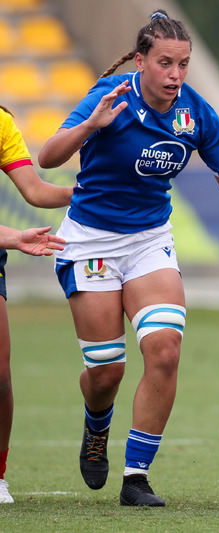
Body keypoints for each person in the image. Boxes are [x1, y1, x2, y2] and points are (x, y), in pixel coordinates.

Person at [37, 10, 219, 507]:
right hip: (89, 242)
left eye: (183, 63)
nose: (175, 74)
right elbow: (48, 157)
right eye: (165, 63)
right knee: (106, 373)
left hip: (148, 241)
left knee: (164, 350)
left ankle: (136, 477)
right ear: (141, 61)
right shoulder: (110, 97)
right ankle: (97, 424)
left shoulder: (197, 114)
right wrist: (92, 125)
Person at [1, 104, 72, 504]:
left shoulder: (1, 122)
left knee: (0, 377)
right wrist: (13, 238)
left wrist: (92, 191)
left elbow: (35, 190)